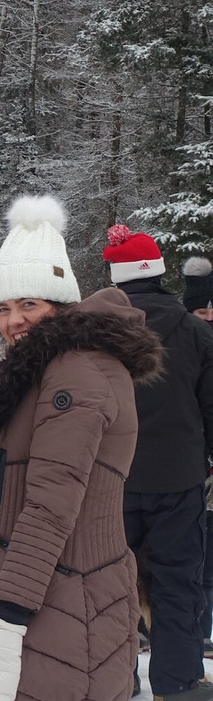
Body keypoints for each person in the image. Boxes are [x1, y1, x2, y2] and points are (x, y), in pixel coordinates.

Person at [0, 196, 162, 701]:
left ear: (61, 304)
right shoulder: (39, 372)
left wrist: (6, 621)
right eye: (2, 308)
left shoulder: (75, 371)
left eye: (29, 303)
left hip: (63, 609)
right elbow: (7, 502)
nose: (13, 321)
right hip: (38, 596)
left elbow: (50, 507)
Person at [102, 227, 213, 700]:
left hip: (112, 480)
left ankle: (114, 677)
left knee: (109, 581)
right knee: (177, 579)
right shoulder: (195, 331)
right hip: (180, 478)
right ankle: (179, 681)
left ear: (114, 275)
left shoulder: (96, 331)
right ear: (160, 270)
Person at [182, 256, 213, 660]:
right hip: (186, 465)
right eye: (202, 311)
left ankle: (202, 630)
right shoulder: (181, 348)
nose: (208, 318)